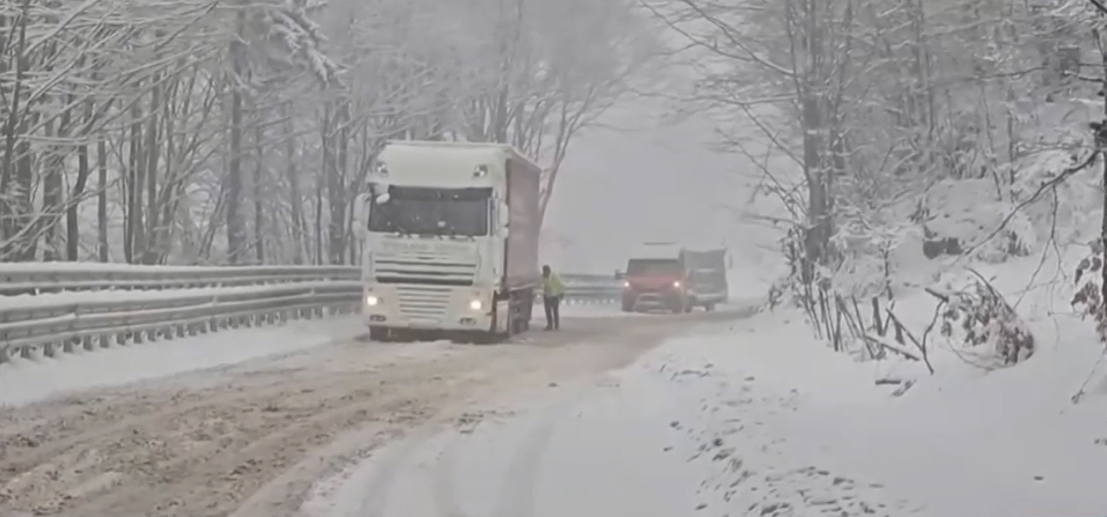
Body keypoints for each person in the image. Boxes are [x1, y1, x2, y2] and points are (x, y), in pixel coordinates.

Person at [541, 264, 564, 330]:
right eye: (544, 271)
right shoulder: (542, 277)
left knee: (555, 311)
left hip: (554, 296)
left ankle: (556, 325)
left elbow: (560, 285)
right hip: (547, 296)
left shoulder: (554, 277)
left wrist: (561, 293)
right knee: (548, 311)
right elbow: (541, 285)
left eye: (546, 271)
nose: (545, 273)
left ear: (549, 271)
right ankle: (550, 325)